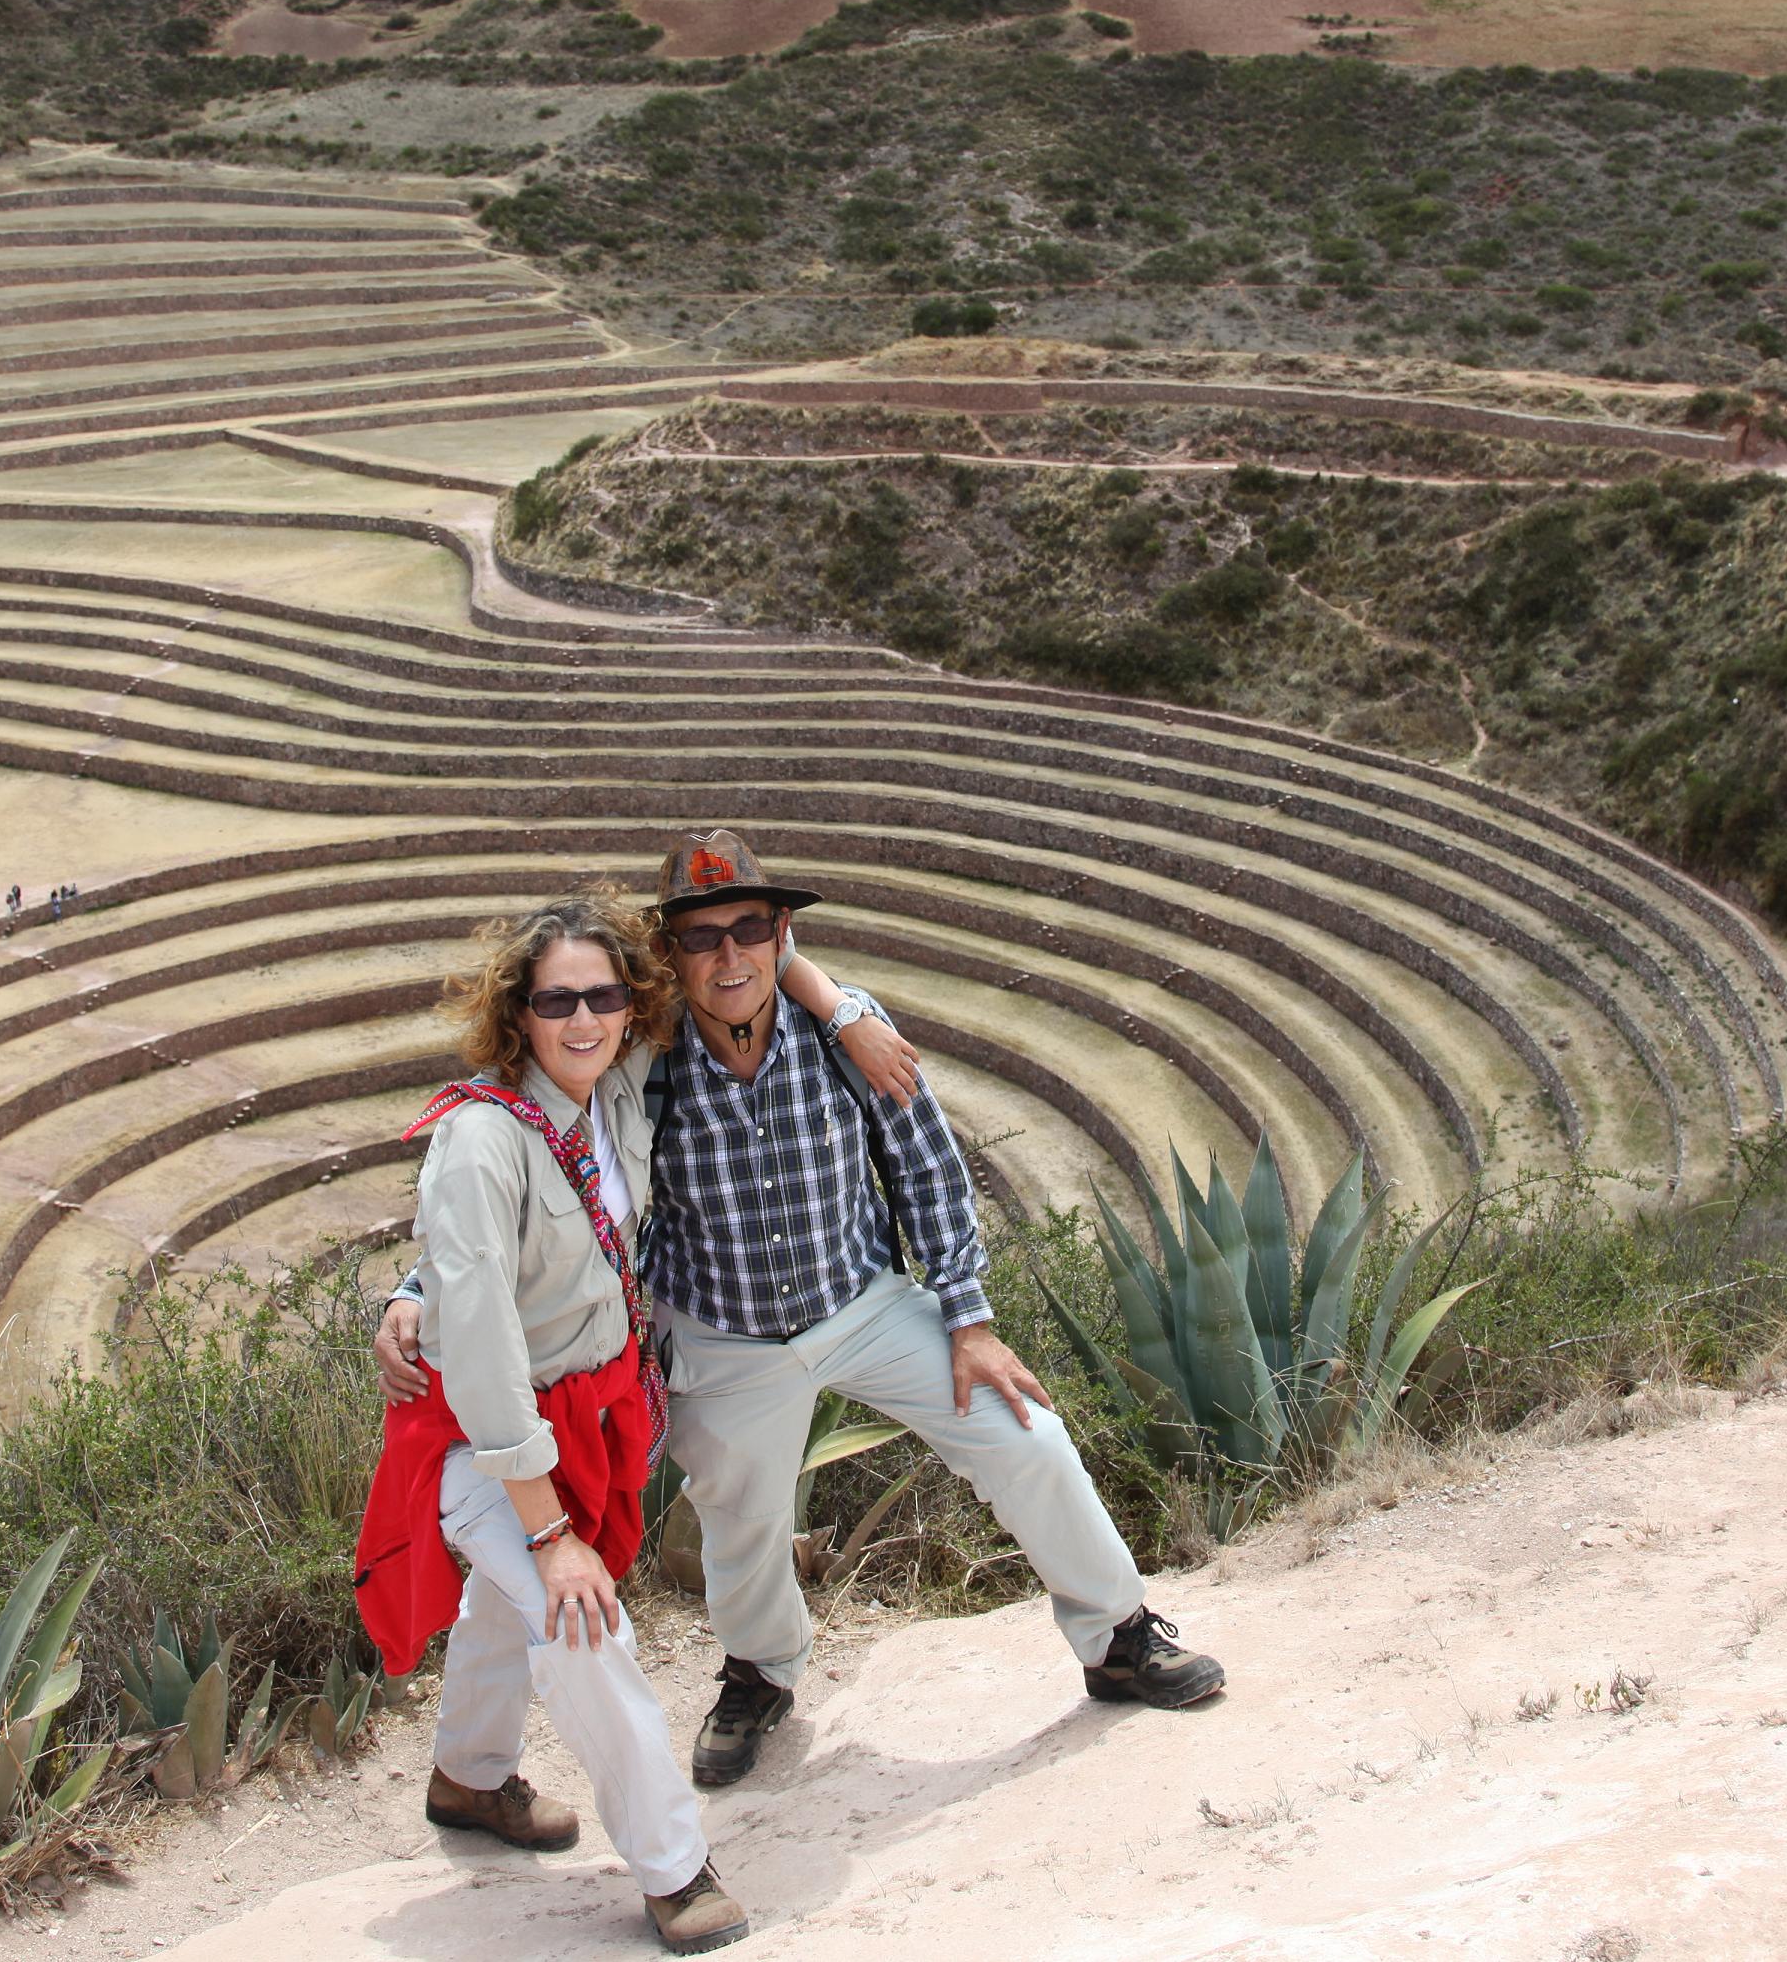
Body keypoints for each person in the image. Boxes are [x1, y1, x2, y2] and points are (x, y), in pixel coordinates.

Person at [381, 831, 1224, 1794]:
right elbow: (535, 1161)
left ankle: (1117, 1634)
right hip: (723, 1329)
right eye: (702, 937)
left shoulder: (845, 1036)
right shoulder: (640, 1062)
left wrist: (970, 1319)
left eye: (749, 929)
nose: (728, 956)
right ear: (671, 955)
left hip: (863, 1302)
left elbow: (926, 1166)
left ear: (781, 935)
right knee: (739, 1519)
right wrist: (419, 1289)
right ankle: (760, 1671)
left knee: (1023, 1432)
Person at [355, 895, 891, 1953]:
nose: (584, 1019)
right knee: (581, 1620)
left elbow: (736, 962)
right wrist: (549, 1532)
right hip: (487, 1436)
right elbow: (483, 1347)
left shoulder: (614, 1089)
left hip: (589, 1417)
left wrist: (842, 1010)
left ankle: (467, 1779)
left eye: (604, 997)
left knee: (506, 1603)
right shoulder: (479, 1139)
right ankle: (674, 1869)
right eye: (557, 1001)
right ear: (516, 1013)